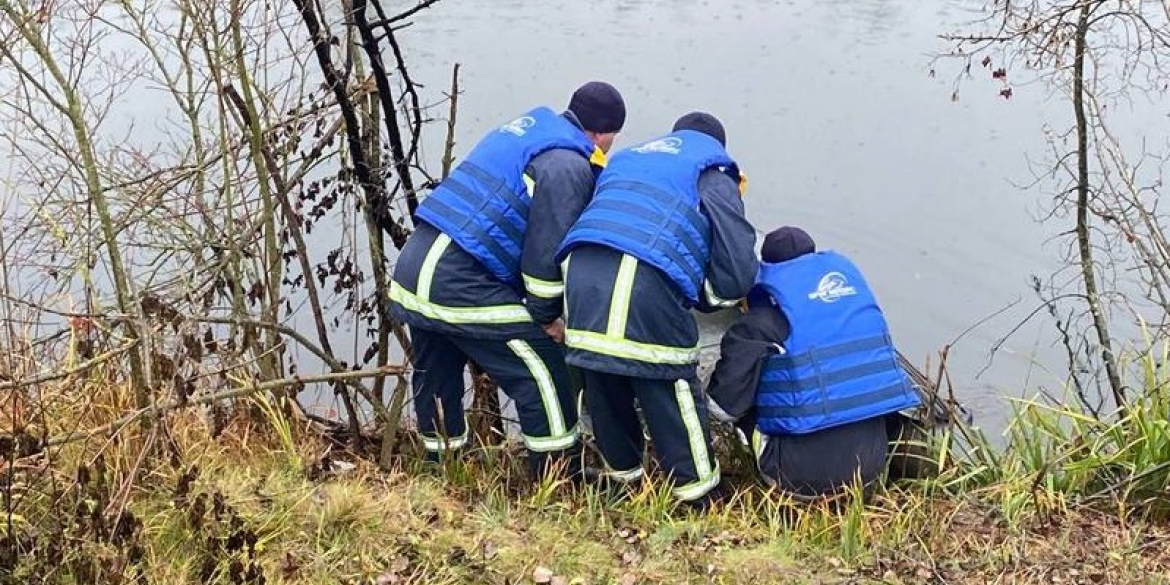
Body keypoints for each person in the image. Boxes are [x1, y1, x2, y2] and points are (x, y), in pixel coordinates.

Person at [388, 81, 626, 479]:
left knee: (437, 373)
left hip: (413, 272)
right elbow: (544, 258)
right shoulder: (568, 164)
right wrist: (548, 316)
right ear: (604, 135)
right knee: (544, 374)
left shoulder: (525, 130)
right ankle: (558, 479)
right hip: (459, 281)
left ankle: (438, 473)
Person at [556, 112, 758, 507]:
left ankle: (621, 486)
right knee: (671, 384)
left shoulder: (631, 158)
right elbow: (736, 266)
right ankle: (700, 497)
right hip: (642, 281)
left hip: (582, 279)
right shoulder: (715, 170)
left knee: (604, 378)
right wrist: (708, 298)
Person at [705, 226, 922, 499]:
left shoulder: (760, 324)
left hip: (799, 479)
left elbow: (721, 407)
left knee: (747, 394)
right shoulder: (857, 308)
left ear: (768, 268)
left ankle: (785, 481)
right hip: (869, 472)